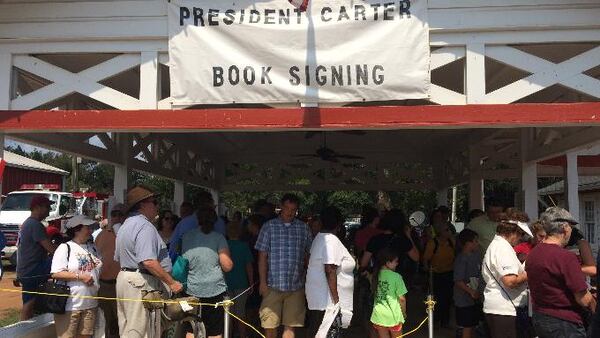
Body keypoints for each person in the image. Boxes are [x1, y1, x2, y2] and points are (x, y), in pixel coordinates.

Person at [114, 186, 183, 337]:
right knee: (142, 331)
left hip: (126, 279)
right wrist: (171, 282)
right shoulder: (144, 226)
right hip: (140, 282)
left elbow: (119, 258)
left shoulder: (125, 225)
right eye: (155, 202)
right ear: (142, 205)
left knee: (129, 329)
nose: (157, 206)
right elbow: (148, 261)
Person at [526, 207, 596, 338]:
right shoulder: (565, 257)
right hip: (565, 322)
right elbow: (583, 299)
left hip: (540, 317)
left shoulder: (534, 253)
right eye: (570, 226)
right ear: (565, 228)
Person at [255, 193, 312, 338]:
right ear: (281, 207)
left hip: (295, 286)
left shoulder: (303, 228)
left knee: (291, 327)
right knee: (269, 325)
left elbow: (308, 256)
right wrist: (262, 282)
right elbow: (262, 257)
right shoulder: (268, 227)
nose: (290, 212)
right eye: (287, 208)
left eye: (293, 209)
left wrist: (307, 279)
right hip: (272, 285)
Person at [182, 206, 233, 338]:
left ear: (198, 220)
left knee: (191, 329)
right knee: (215, 331)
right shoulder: (218, 237)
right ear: (215, 220)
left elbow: (184, 261)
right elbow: (227, 266)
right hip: (214, 290)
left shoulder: (187, 236)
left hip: (192, 289)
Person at [306, 206, 356, 337]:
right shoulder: (330, 240)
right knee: (324, 333)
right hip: (327, 301)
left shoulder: (320, 237)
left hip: (320, 297)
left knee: (318, 331)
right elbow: (330, 270)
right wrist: (336, 301)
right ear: (339, 224)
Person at [481, 209, 532, 338]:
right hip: (504, 309)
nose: (521, 238)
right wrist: (530, 271)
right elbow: (510, 281)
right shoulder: (502, 248)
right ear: (512, 231)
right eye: (521, 234)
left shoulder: (499, 245)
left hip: (500, 308)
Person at [51, 215, 102, 338]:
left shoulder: (92, 247)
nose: (90, 230)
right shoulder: (65, 248)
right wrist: (80, 276)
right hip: (71, 305)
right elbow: (56, 273)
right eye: (87, 227)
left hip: (90, 304)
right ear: (76, 229)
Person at [16, 195, 57, 320]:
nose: (49, 210)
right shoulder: (35, 225)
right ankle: (23, 328)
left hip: (27, 269)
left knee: (30, 302)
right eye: (47, 207)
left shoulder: (28, 223)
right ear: (37, 207)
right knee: (29, 303)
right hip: (33, 269)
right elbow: (50, 249)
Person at [169, 191, 225, 261]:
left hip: (188, 265)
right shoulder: (219, 223)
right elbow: (223, 248)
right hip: (213, 265)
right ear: (210, 204)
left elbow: (174, 248)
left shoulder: (184, 223)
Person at [423, 222, 456, 328]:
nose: (449, 232)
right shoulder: (433, 243)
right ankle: (435, 320)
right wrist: (427, 271)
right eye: (446, 230)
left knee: (447, 297)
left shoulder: (452, 242)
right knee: (436, 297)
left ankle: (445, 321)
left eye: (449, 230)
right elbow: (425, 259)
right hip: (435, 274)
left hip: (449, 273)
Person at [95, 210, 122, 338]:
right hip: (103, 284)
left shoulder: (126, 234)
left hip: (120, 285)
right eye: (114, 214)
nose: (117, 217)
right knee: (104, 321)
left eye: (120, 214)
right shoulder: (101, 235)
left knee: (121, 321)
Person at [370, 246, 408, 338]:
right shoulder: (396, 277)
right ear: (387, 263)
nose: (397, 264)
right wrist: (404, 313)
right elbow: (402, 299)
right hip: (393, 316)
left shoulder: (375, 275)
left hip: (379, 316)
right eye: (395, 261)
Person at [225, 220, 254, 338]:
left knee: (228, 313)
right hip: (242, 283)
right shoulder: (244, 246)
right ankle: (243, 335)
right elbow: (249, 266)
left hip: (226, 283)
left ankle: (228, 334)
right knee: (241, 313)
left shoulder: (224, 245)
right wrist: (251, 282)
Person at [454, 229, 482, 338]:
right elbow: (458, 280)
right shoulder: (461, 259)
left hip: (474, 298)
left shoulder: (476, 255)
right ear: (468, 243)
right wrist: (471, 291)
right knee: (467, 326)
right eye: (475, 241)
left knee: (474, 324)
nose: (477, 243)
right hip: (464, 299)